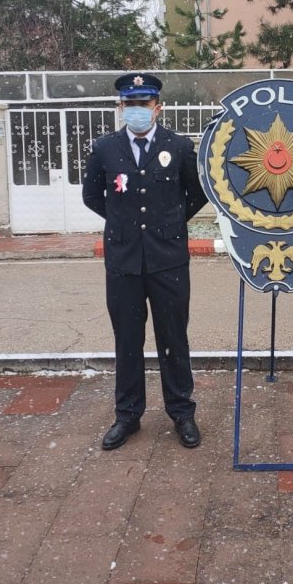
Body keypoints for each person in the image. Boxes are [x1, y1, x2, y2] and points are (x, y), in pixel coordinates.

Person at [83, 72, 208, 451]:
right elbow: (92, 196)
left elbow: (197, 194)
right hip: (123, 261)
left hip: (168, 259)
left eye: (144, 103)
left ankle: (182, 413)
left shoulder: (179, 145)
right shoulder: (105, 148)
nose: (137, 110)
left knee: (173, 339)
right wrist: (125, 226)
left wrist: (167, 223)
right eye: (130, 104)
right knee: (127, 341)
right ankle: (128, 416)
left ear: (158, 107)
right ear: (121, 107)